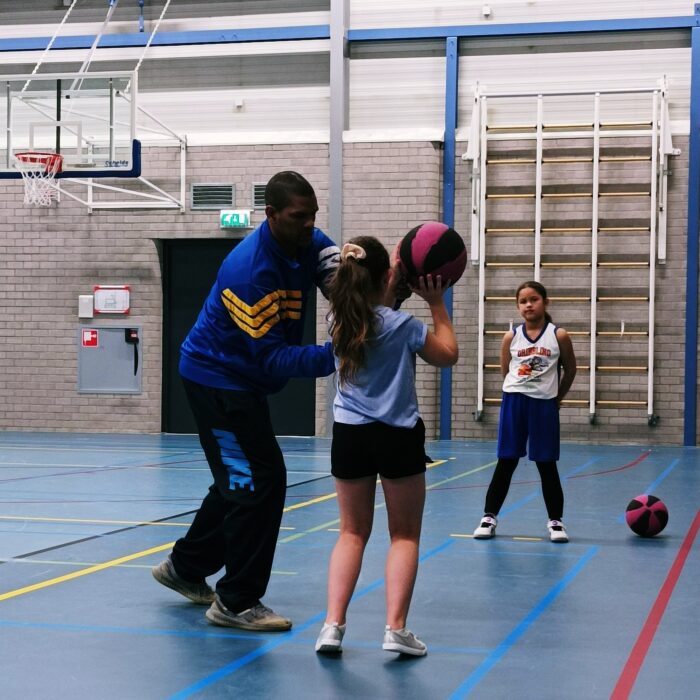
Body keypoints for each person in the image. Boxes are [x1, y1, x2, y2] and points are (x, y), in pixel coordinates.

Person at [152, 171, 340, 631]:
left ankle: (185, 567)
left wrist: (365, 294)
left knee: (239, 480)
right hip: (218, 384)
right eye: (299, 217)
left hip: (241, 383)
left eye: (313, 216)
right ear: (271, 216)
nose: (309, 225)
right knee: (261, 480)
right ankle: (236, 600)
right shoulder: (249, 271)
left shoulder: (309, 239)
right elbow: (273, 359)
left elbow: (335, 277)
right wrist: (339, 354)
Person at [314, 236, 459, 657]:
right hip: (397, 436)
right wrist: (436, 303)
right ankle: (395, 629)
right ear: (386, 278)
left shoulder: (337, 321)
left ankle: (331, 626)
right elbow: (448, 354)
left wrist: (390, 274)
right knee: (404, 536)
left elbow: (371, 307)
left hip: (350, 435)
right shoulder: (406, 326)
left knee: (351, 533)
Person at [473, 280, 577, 543]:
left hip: (544, 405)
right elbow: (505, 370)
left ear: (545, 302)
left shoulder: (558, 335)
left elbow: (570, 370)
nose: (528, 304)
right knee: (506, 461)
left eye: (534, 299)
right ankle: (489, 517)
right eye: (523, 301)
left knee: (546, 464)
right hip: (515, 402)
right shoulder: (511, 336)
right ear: (518, 307)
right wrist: (514, 392)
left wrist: (557, 398)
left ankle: (556, 522)